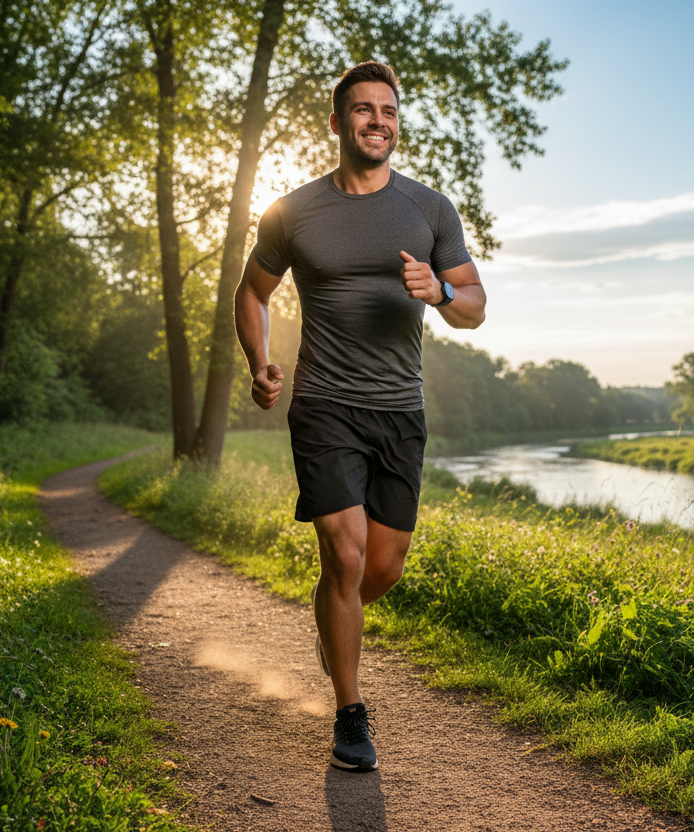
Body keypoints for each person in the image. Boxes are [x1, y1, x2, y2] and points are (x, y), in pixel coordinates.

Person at [233, 60, 486, 772]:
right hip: (324, 404)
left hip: (400, 408)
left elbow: (475, 307)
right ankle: (349, 712)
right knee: (342, 556)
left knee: (382, 568)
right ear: (339, 121)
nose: (380, 121)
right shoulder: (294, 211)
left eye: (390, 111)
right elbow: (249, 293)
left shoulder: (430, 210)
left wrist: (437, 289)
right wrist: (259, 360)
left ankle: (334, 626)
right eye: (365, 110)